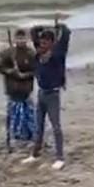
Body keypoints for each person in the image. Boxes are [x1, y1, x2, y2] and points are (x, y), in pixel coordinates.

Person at [22, 14, 71, 170]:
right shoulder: (38, 54)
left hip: (53, 95)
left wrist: (59, 27)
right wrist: (43, 28)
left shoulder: (57, 55)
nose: (41, 45)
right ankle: (35, 154)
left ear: (52, 43)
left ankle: (60, 158)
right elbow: (33, 32)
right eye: (40, 42)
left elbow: (66, 34)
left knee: (56, 126)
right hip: (41, 94)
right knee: (39, 125)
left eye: (45, 43)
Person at [0, 29, 37, 152]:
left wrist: (25, 75)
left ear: (26, 39)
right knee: (13, 117)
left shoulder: (31, 53)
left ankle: (30, 139)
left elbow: (37, 70)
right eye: (18, 39)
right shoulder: (8, 53)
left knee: (29, 117)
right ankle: (12, 140)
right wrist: (11, 72)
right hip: (12, 91)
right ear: (14, 40)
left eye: (23, 39)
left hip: (26, 90)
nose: (21, 41)